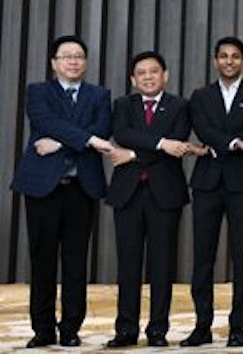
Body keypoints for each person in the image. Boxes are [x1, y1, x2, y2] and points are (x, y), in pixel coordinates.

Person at [11, 34, 113, 348]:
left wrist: (60, 141)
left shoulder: (99, 94)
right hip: (43, 187)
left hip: (82, 188)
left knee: (75, 260)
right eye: (66, 56)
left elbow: (102, 128)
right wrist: (88, 141)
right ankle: (42, 329)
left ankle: (70, 327)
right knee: (42, 259)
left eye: (79, 56)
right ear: (54, 62)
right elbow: (45, 121)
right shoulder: (38, 91)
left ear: (86, 62)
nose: (73, 61)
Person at [182, 36, 243, 348]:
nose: (229, 61)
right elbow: (203, 130)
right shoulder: (200, 95)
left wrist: (228, 142)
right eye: (223, 56)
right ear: (215, 60)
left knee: (242, 256)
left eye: (235, 56)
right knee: (203, 256)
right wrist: (234, 144)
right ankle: (201, 324)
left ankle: (237, 325)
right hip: (207, 183)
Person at [104, 51, 192, 348]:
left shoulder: (180, 106)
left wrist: (131, 154)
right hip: (128, 194)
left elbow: (178, 141)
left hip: (165, 195)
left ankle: (158, 331)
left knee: (162, 265)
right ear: (133, 79)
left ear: (165, 74)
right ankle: (126, 330)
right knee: (128, 264)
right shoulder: (122, 105)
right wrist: (159, 143)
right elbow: (123, 133)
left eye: (154, 71)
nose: (148, 77)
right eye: (141, 73)